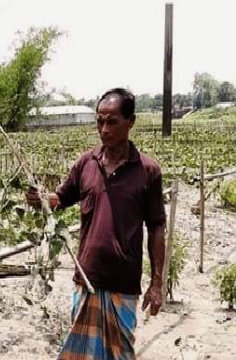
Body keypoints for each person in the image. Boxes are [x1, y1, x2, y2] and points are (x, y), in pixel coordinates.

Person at [26, 88, 167, 360]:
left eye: (112, 121)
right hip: (87, 278)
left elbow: (157, 227)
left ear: (131, 121)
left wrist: (157, 283)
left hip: (123, 284)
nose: (104, 129)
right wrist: (40, 199)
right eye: (99, 121)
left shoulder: (148, 171)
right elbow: (61, 199)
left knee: (121, 354)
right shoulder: (86, 163)